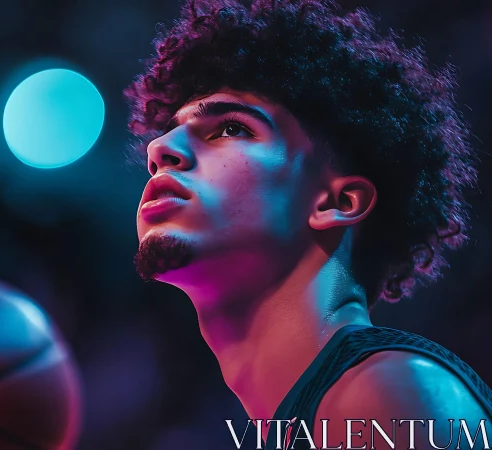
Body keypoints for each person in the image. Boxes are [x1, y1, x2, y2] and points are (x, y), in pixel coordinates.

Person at [127, 0, 492, 448]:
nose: (161, 149)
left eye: (231, 129)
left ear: (336, 202)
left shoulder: (388, 392)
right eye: (168, 131)